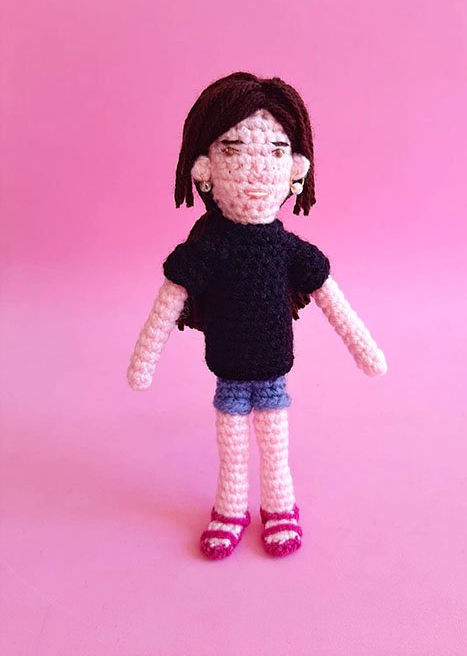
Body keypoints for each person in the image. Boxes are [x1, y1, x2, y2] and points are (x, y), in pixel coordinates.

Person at [127, 72, 387, 560]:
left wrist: (363, 348)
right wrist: (145, 359)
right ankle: (230, 509)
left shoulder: (287, 249)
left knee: (274, 444)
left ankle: (280, 506)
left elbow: (331, 298)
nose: (256, 168)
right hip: (229, 369)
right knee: (232, 447)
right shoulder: (207, 249)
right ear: (204, 168)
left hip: (271, 370)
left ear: (296, 168)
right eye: (233, 151)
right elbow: (170, 299)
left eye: (275, 151)